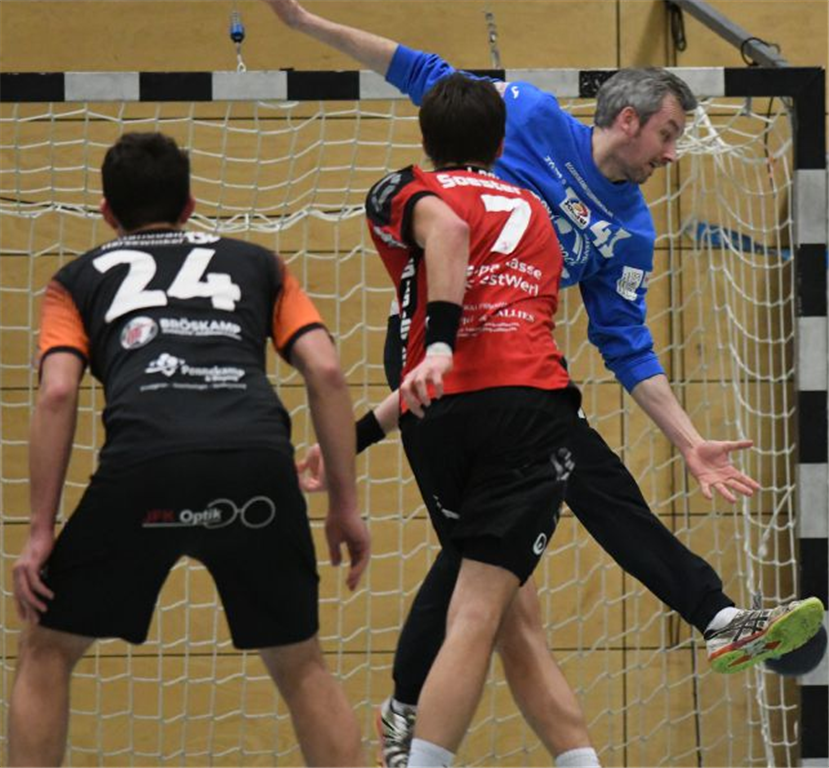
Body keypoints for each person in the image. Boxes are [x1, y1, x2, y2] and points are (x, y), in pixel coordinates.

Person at [264, 1, 826, 764]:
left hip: (505, 372)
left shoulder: (629, 230)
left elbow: (627, 347)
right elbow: (420, 72)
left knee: (504, 561)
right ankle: (714, 616)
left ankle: (411, 705)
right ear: (625, 119)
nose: (672, 154)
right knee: (499, 564)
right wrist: (305, 22)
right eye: (667, 134)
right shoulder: (524, 116)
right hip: (438, 354)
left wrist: (689, 442)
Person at [8, 132, 370, 768]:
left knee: (47, 647)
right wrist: (344, 504)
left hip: (144, 467)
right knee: (300, 663)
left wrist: (40, 530)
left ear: (107, 213)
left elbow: (58, 392)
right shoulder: (260, 265)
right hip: (256, 464)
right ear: (190, 206)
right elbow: (327, 372)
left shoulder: (74, 281)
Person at [358, 70, 599, 768]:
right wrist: (440, 342)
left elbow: (444, 243)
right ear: (499, 144)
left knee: (512, 615)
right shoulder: (536, 214)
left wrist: (354, 437)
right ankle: (417, 742)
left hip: (433, 413)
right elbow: (456, 236)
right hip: (523, 410)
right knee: (478, 608)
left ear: (424, 140)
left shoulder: (399, 190)